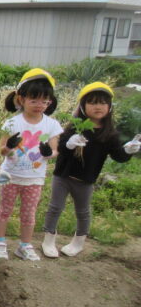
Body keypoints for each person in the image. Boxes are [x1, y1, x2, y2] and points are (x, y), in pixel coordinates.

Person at [41, 81, 140, 258]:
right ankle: (48, 240)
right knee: (55, 208)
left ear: (109, 107)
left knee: (83, 211)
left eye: (102, 103)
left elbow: (118, 156)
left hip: (85, 180)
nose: (98, 106)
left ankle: (78, 242)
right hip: (63, 176)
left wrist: (128, 150)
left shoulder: (110, 134)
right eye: (92, 102)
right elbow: (60, 148)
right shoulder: (74, 127)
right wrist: (70, 144)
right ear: (82, 106)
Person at [0, 68, 62, 261]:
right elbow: (2, 151)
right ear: (21, 99)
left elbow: (55, 150)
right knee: (4, 210)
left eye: (45, 101)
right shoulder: (12, 123)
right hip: (10, 176)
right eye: (34, 100)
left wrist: (49, 153)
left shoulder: (52, 125)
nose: (40, 105)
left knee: (29, 214)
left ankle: (24, 245)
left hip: (34, 178)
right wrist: (9, 147)